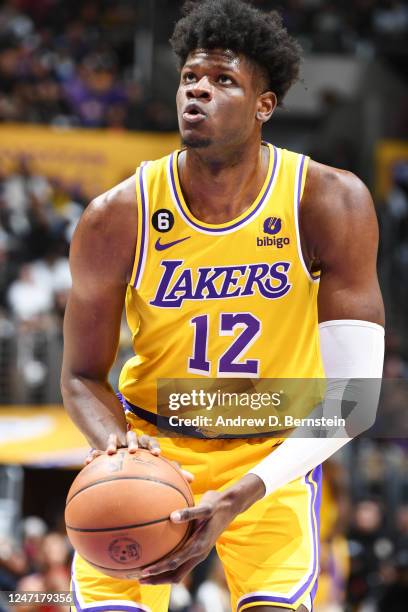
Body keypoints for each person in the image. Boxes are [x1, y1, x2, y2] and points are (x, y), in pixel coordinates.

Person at [61, 1, 385, 611]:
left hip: (272, 456)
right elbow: (79, 375)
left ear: (265, 104)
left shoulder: (329, 200)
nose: (198, 91)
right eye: (190, 77)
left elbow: (354, 400)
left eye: (223, 80)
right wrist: (117, 447)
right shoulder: (118, 215)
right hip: (152, 447)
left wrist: (242, 492)